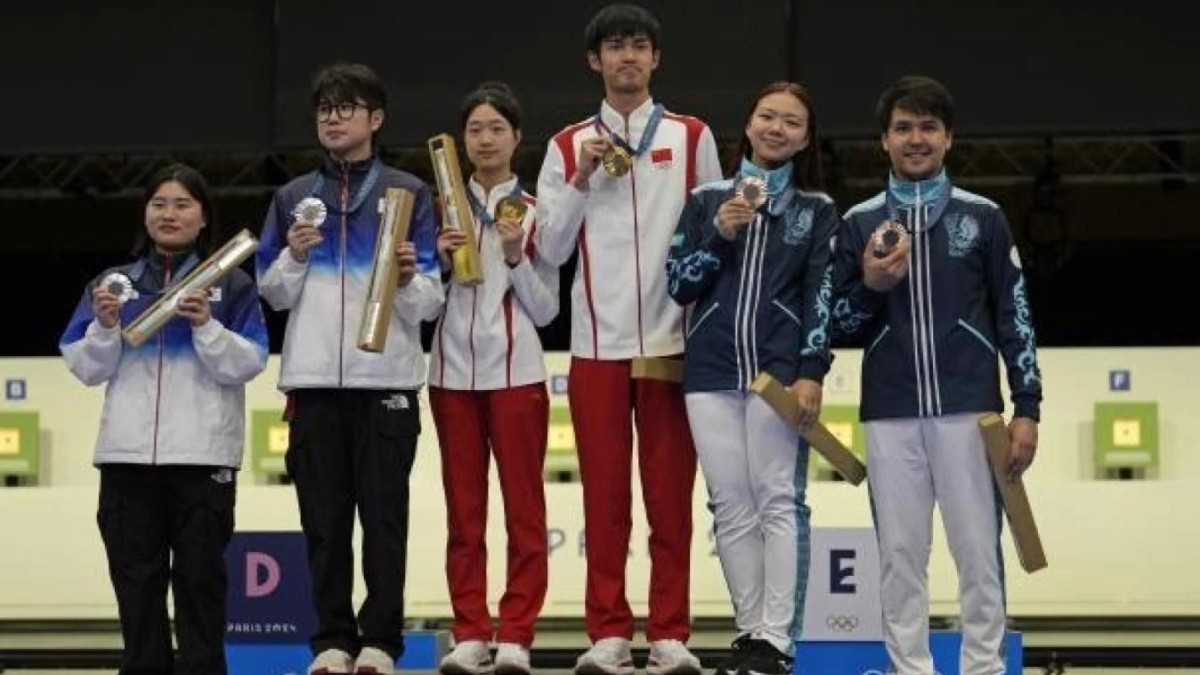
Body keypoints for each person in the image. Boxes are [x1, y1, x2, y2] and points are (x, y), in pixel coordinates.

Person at [830, 74, 1043, 675]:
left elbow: (1016, 314)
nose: (916, 138)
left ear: (950, 137)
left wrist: (1027, 405)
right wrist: (871, 286)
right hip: (890, 412)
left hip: (970, 409)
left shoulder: (984, 217)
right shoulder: (859, 223)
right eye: (903, 128)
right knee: (899, 555)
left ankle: (984, 668)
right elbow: (836, 321)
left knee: (977, 551)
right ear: (884, 140)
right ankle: (909, 669)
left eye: (928, 127)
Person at [534, 4, 723, 674]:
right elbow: (549, 249)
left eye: (639, 46)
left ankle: (670, 631)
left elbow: (715, 236)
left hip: (673, 341)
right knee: (605, 498)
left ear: (655, 58)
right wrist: (581, 180)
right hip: (597, 346)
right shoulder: (565, 146)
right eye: (614, 47)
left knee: (670, 499)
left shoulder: (691, 135)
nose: (627, 57)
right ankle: (609, 631)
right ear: (595, 61)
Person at [255, 62, 443, 675]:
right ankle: (331, 640)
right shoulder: (292, 199)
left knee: (384, 521)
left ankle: (381, 642)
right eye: (324, 110)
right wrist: (292, 255)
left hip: (386, 382)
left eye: (346, 108)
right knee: (323, 522)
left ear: (376, 118)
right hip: (312, 384)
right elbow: (272, 292)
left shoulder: (409, 194)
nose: (333, 119)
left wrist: (409, 280)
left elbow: (431, 301)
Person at [60, 163, 269, 675]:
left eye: (182, 204)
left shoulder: (232, 284)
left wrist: (207, 327)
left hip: (203, 458)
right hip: (126, 459)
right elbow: (85, 368)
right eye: (159, 204)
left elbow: (248, 363)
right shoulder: (113, 284)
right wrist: (104, 327)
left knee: (201, 582)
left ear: (204, 217)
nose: (169, 214)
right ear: (145, 214)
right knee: (135, 582)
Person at [666, 81, 838, 675]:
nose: (776, 128)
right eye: (768, 116)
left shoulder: (816, 210)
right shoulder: (705, 199)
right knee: (730, 504)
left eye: (791, 122)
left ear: (805, 139)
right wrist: (720, 233)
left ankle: (777, 640)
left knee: (779, 499)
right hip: (710, 373)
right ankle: (749, 634)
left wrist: (811, 371)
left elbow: (820, 297)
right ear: (748, 123)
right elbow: (679, 284)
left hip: (777, 375)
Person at [430, 82, 559, 675]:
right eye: (475, 129)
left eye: (496, 128)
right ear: (462, 141)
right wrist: (436, 263)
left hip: (518, 376)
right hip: (450, 376)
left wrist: (514, 256)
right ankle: (470, 632)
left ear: (516, 138)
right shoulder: (439, 211)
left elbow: (547, 311)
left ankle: (517, 634)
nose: (485, 139)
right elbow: (420, 304)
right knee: (464, 513)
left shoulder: (537, 211)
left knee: (524, 512)